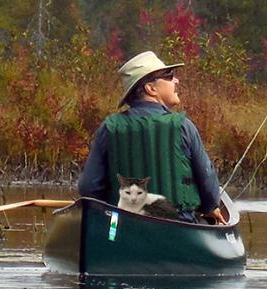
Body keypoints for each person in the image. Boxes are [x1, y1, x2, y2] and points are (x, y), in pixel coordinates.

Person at [78, 51, 227, 224]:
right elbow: (207, 180)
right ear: (151, 88)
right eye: (169, 76)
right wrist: (211, 207)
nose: (176, 81)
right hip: (179, 227)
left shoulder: (108, 128)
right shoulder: (184, 126)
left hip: (120, 226)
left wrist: (108, 211)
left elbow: (88, 188)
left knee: (113, 229)